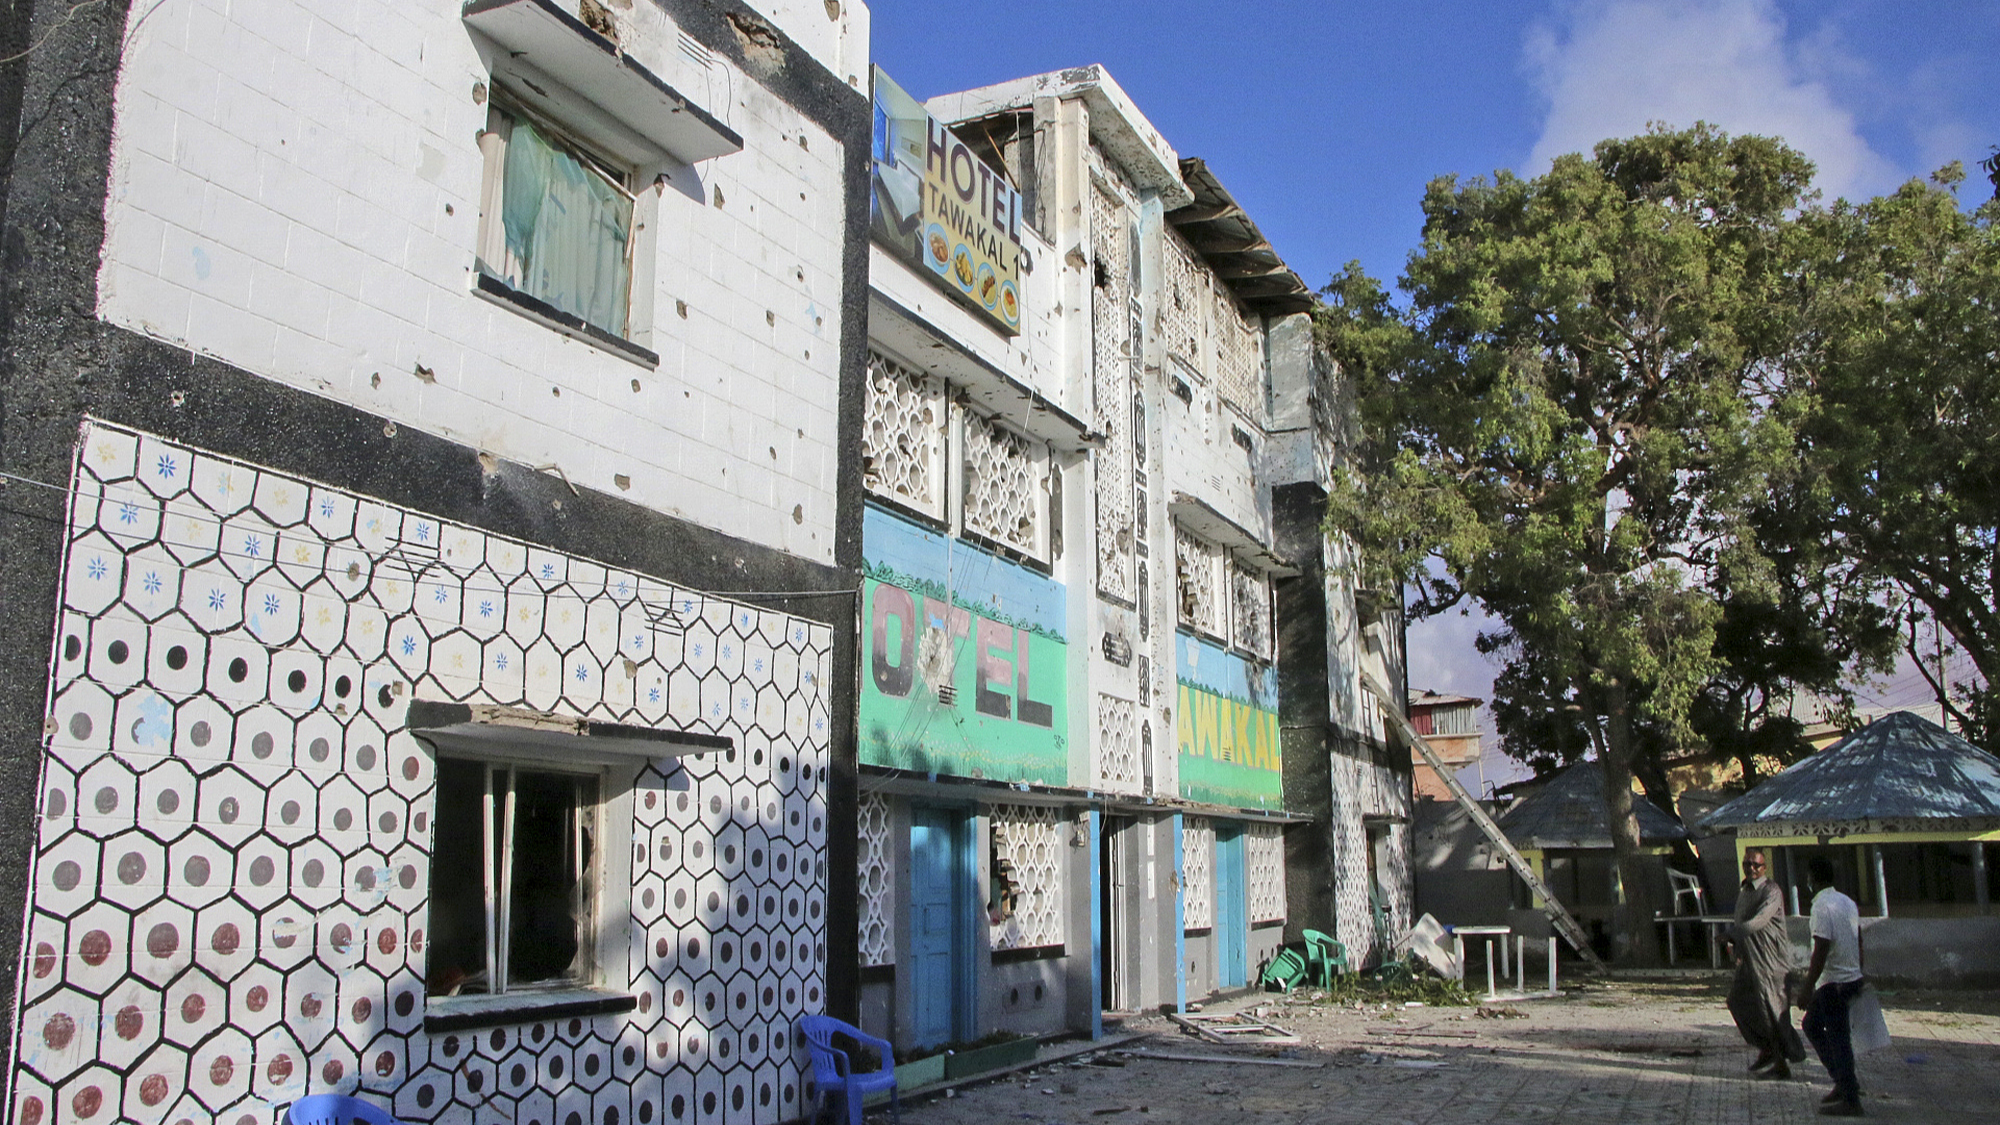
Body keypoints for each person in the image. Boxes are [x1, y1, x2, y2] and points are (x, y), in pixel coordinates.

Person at [1725, 849, 1803, 1077]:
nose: (1751, 869)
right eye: (1747, 864)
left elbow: (1758, 921)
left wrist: (1732, 934)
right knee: (1737, 1001)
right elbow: (1741, 919)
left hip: (1771, 962)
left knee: (1772, 1012)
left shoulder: (1772, 890)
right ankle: (1767, 1048)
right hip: (1750, 960)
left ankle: (1781, 1064)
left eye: (1756, 865)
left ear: (1764, 867)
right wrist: (1738, 948)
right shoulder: (1745, 891)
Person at [1800, 856, 1865, 1116]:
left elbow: (1821, 949)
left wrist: (1807, 986)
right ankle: (1842, 1080)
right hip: (1849, 978)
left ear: (1813, 879)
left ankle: (1850, 1098)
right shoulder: (1847, 902)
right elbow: (1858, 939)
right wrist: (1861, 970)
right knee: (1812, 1025)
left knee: (1839, 1039)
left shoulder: (1821, 907)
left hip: (1833, 982)